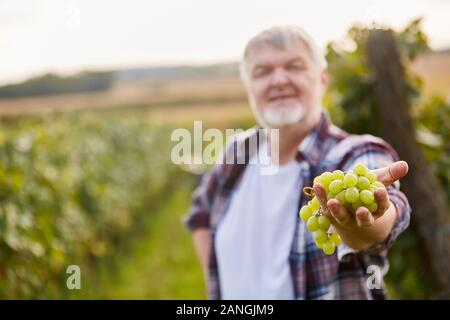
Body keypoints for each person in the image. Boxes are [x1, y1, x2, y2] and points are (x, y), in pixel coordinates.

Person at [184, 26, 411, 300]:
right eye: (262, 71)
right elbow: (200, 213)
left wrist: (366, 220)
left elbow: (380, 219)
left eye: (294, 66)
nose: (279, 79)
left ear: (323, 79)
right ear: (249, 87)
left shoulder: (355, 152)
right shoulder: (238, 151)